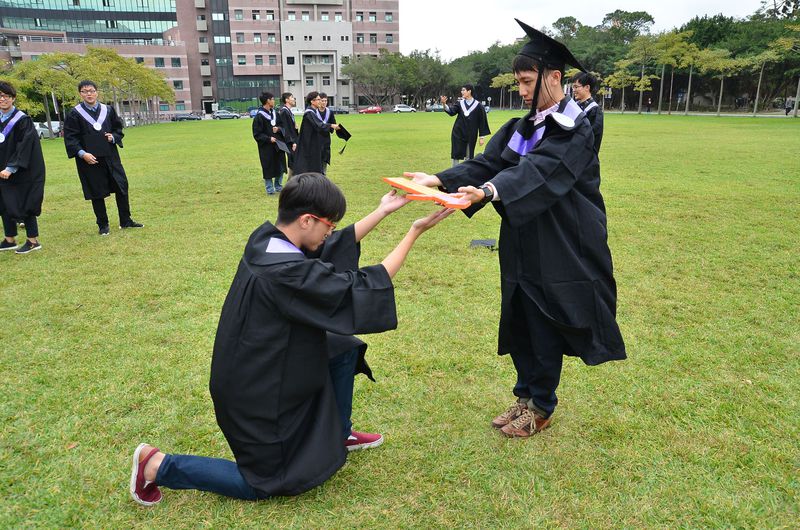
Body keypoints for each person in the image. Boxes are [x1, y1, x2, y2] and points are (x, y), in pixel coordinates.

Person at [129, 173, 453, 505]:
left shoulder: (267, 240)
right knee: (265, 482)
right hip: (256, 390)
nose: (331, 232)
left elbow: (327, 250)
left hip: (263, 359)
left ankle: (338, 434)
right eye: (329, 224)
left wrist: (382, 211)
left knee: (343, 347)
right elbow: (357, 288)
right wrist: (414, 232)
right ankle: (157, 465)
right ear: (306, 219)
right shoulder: (285, 271)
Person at [405, 18, 626, 438]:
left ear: (554, 77)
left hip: (562, 239)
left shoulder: (574, 128)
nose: (521, 90)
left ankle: (542, 404)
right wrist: (437, 179)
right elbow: (491, 161)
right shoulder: (525, 126)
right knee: (520, 313)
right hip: (523, 234)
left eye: (527, 81)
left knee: (545, 318)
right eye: (519, 82)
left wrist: (490, 191)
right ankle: (524, 395)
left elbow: (540, 171)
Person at [64, 80, 143, 235]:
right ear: (80, 94)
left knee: (121, 186)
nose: (89, 94)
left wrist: (113, 137)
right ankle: (103, 225)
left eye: (92, 91)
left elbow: (118, 129)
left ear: (97, 92)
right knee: (96, 191)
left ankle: (126, 220)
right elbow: (70, 138)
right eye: (85, 91)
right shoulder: (74, 114)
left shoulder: (108, 110)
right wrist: (82, 154)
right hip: (89, 159)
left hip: (110, 156)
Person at [0, 80, 45, 254]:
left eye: (6, 96)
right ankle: (9, 239)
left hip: (22, 170)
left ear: (13, 98)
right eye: (0, 96)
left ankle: (33, 241)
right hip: (2, 168)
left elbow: (25, 146)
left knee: (25, 201)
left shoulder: (22, 120)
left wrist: (11, 167)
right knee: (4, 202)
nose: (2, 99)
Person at [440, 84, 490, 166]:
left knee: (469, 156)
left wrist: (481, 137)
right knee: (456, 153)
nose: (461, 92)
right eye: (461, 90)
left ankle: (466, 171)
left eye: (463, 90)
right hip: (458, 132)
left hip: (471, 134)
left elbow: (482, 122)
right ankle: (454, 171)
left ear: (469, 91)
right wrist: (444, 104)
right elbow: (451, 112)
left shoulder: (478, 105)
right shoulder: (460, 103)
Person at [293, 92, 340, 175]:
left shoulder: (313, 112)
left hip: (314, 144)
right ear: (312, 101)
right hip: (308, 146)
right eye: (318, 99)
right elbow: (318, 125)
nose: (320, 101)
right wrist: (331, 125)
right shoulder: (309, 113)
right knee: (309, 170)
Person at [252, 91, 286, 195]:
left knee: (280, 165)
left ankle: (278, 186)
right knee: (268, 166)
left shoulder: (275, 114)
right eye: (272, 99)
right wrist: (268, 139)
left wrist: (278, 129)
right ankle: (270, 189)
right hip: (266, 147)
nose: (274, 101)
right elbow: (257, 134)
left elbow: (283, 126)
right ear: (268, 101)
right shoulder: (259, 116)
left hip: (278, 145)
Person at [571, 71, 604, 153]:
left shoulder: (594, 110)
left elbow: (592, 138)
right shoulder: (575, 106)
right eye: (573, 87)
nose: (573, 90)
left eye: (576, 87)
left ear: (587, 87)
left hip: (584, 155)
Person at [277, 92, 299, 178]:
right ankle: (291, 183)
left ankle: (292, 182)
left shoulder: (288, 111)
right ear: (287, 100)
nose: (294, 99)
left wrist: (296, 128)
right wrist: (293, 142)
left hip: (293, 140)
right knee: (293, 162)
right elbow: (286, 129)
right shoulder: (284, 112)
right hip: (290, 142)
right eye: (292, 97)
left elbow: (291, 128)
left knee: (295, 162)